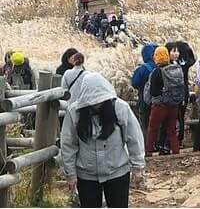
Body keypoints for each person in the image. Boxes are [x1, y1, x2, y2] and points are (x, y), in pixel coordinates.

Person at [58, 70, 146, 208]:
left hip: (117, 171)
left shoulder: (120, 108)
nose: (97, 104)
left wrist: (138, 167)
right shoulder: (75, 112)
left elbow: (134, 138)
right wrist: (71, 174)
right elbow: (68, 144)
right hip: (86, 175)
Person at [145, 45, 186, 156]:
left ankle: (148, 151)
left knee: (153, 128)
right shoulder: (176, 69)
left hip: (159, 105)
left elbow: (153, 92)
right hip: (173, 104)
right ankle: (176, 151)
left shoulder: (157, 72)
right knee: (172, 130)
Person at [165, 41, 196, 147]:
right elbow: (193, 59)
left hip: (176, 95)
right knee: (179, 117)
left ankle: (174, 142)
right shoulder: (184, 64)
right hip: (182, 93)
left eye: (177, 51)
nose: (176, 53)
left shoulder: (176, 66)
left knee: (176, 118)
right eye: (174, 51)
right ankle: (178, 141)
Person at [129, 43, 158, 132]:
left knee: (145, 124)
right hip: (158, 101)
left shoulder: (141, 69)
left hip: (144, 101)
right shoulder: (160, 67)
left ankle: (146, 140)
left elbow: (135, 84)